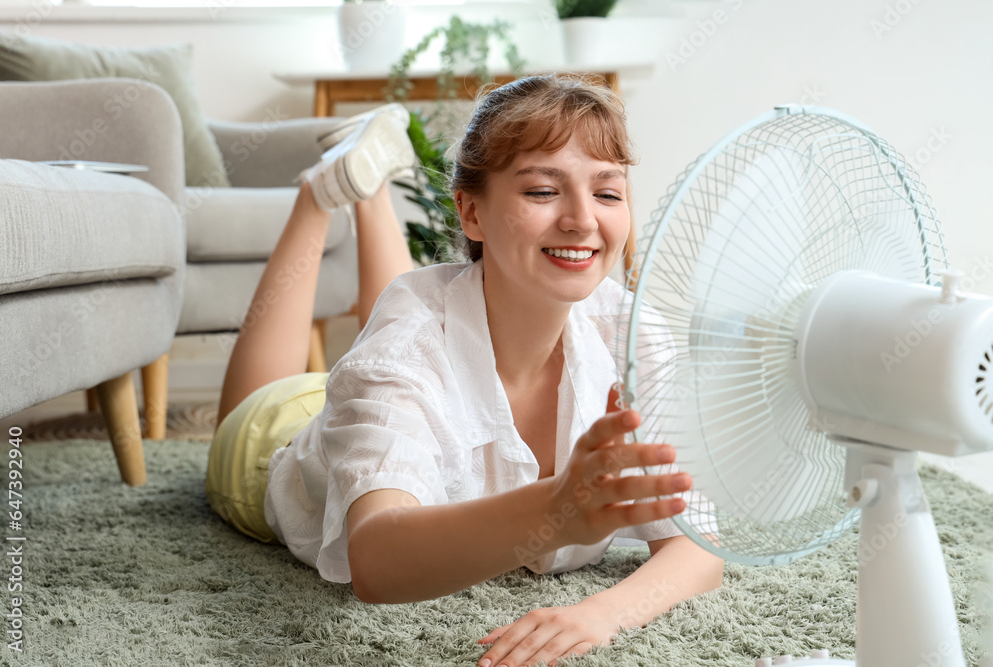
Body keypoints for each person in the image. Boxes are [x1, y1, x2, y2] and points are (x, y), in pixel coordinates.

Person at [206, 74, 724, 667]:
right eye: (541, 192)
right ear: (471, 212)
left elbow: (699, 546)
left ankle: (368, 190)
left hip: (396, 390)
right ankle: (319, 195)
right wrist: (556, 507)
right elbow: (377, 563)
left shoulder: (636, 335)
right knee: (262, 406)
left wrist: (599, 613)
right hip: (279, 440)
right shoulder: (404, 346)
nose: (583, 220)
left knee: (418, 321)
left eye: (608, 194)